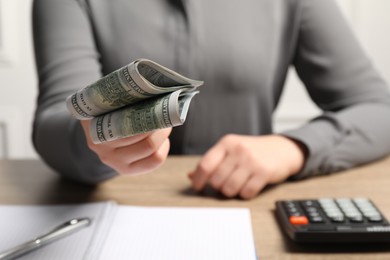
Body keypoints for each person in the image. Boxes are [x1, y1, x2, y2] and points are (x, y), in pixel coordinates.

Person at [32, 0, 390, 199]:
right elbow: (54, 118)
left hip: (248, 205)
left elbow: (379, 109)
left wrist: (294, 147)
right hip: (115, 205)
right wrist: (94, 141)